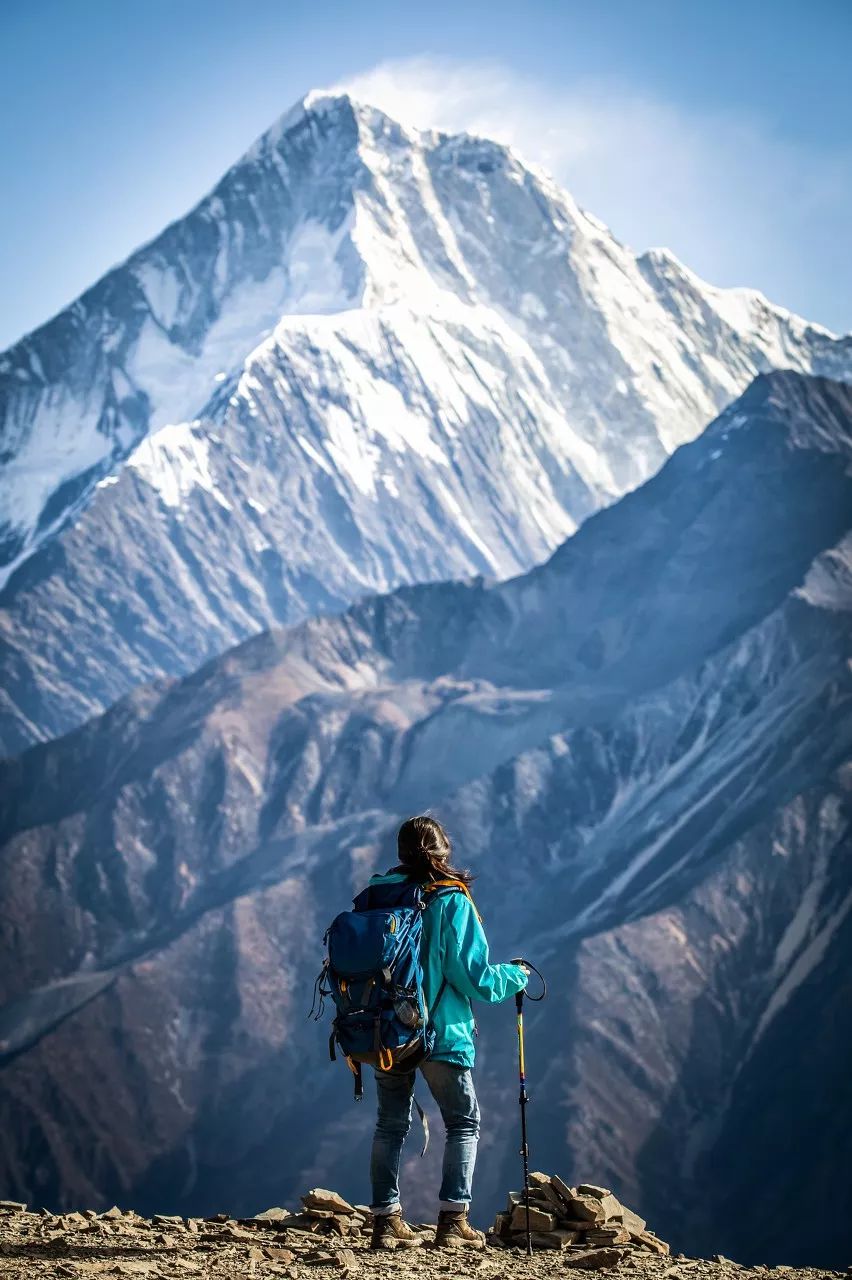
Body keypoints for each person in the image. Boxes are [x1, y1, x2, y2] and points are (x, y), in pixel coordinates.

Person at [368, 815, 528, 1251]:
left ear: (401, 853)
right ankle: (453, 1221)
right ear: (443, 853)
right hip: (440, 1032)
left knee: (389, 1125)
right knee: (463, 1122)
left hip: (387, 1032)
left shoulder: (377, 894)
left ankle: (384, 1223)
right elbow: (474, 977)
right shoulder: (452, 902)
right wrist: (516, 976)